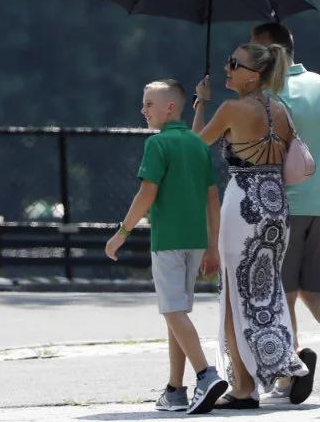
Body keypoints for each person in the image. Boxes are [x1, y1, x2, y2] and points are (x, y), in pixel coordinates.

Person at [192, 44, 312, 409]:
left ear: (253, 74)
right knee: (265, 292)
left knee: (235, 294)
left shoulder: (231, 109)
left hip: (243, 202)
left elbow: (194, 148)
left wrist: (200, 103)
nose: (227, 69)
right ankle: (283, 364)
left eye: (234, 65)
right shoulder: (282, 110)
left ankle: (244, 387)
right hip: (276, 206)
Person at [250, 23, 320, 402]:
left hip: (286, 204)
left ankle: (290, 368)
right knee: (316, 291)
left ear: (273, 52)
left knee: (281, 292)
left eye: (256, 51)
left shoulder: (271, 92)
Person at [104, 79, 228, 414]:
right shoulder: (198, 145)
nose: (143, 110)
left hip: (168, 241)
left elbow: (147, 193)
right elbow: (212, 199)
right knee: (177, 315)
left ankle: (206, 373)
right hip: (196, 242)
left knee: (172, 310)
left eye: (148, 104)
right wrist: (213, 248)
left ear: (170, 107)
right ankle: (175, 390)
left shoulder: (157, 145)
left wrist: (122, 231)